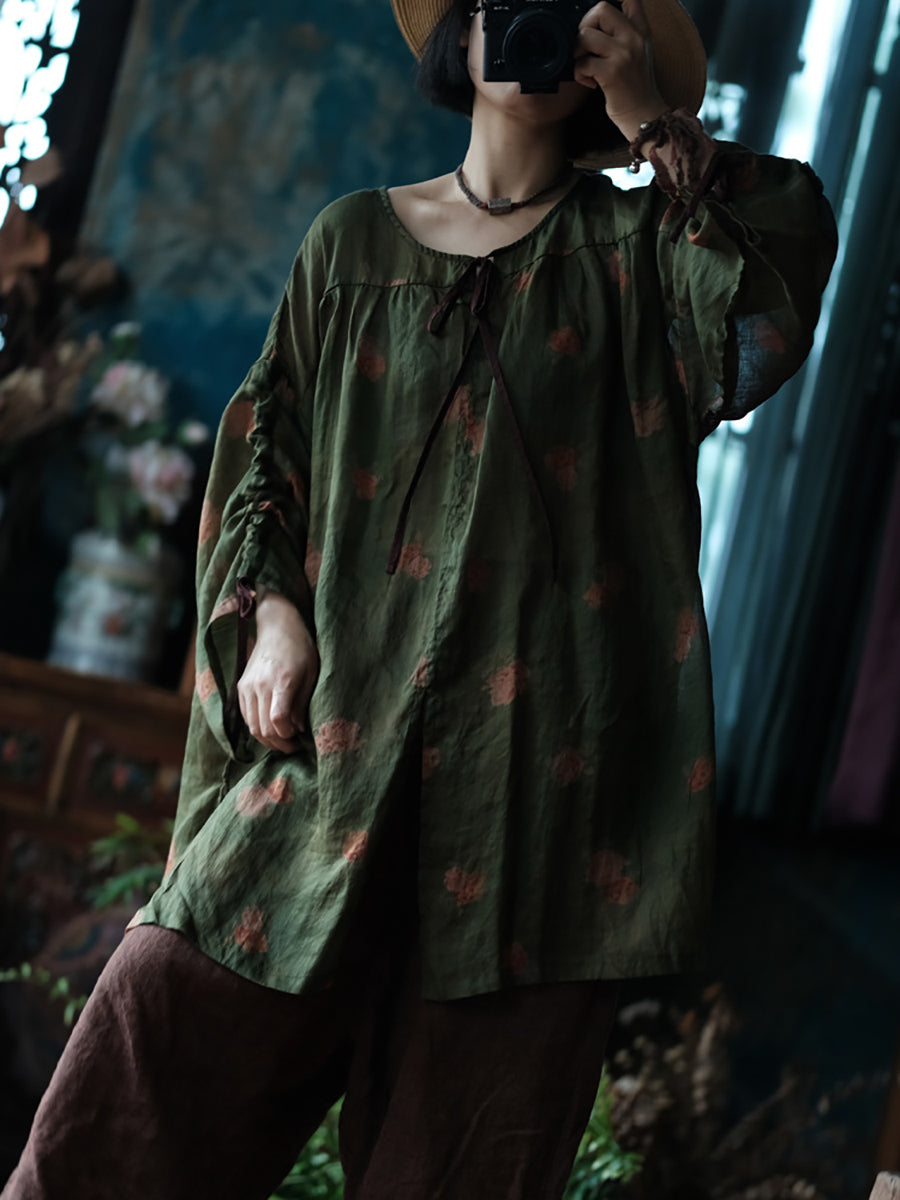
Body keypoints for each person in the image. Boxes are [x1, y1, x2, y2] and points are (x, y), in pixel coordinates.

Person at [3, 1, 838, 1197]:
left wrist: (654, 121)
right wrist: (269, 616)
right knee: (142, 1063)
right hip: (324, 763)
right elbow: (266, 457)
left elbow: (769, 304)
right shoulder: (351, 244)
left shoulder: (645, 257)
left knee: (461, 1168)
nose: (533, 24)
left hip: (540, 811)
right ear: (465, 31)